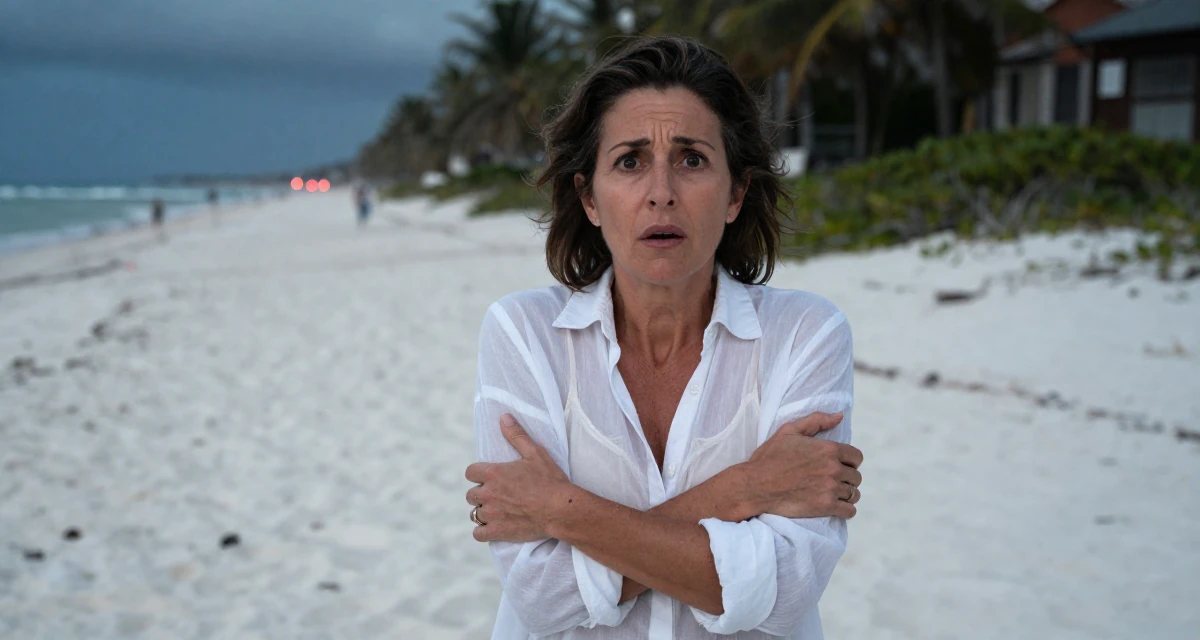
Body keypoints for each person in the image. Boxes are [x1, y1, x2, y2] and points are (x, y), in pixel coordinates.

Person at [464, 37, 863, 639]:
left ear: (735, 193)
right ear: (589, 198)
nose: (661, 192)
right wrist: (745, 488)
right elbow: (542, 599)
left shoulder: (805, 334)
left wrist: (559, 510)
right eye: (629, 160)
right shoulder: (524, 334)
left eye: (692, 159)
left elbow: (783, 593)